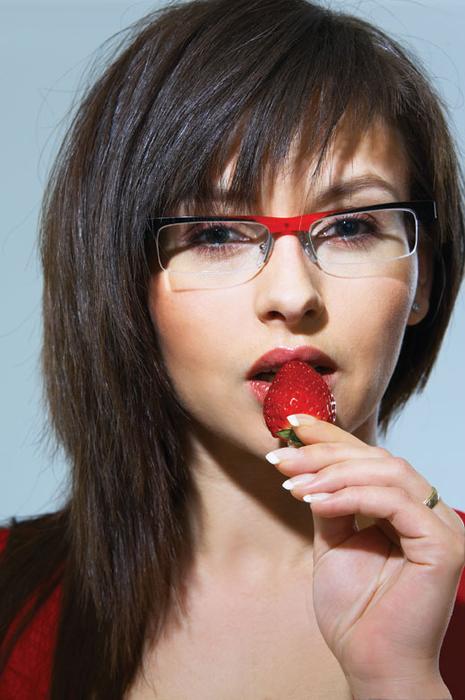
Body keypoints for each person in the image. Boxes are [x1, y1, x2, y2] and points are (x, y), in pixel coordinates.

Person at [1, 0, 464, 697]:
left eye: (351, 227)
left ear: (421, 277)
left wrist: (398, 679)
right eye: (216, 234)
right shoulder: (12, 601)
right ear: (124, 284)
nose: (292, 295)